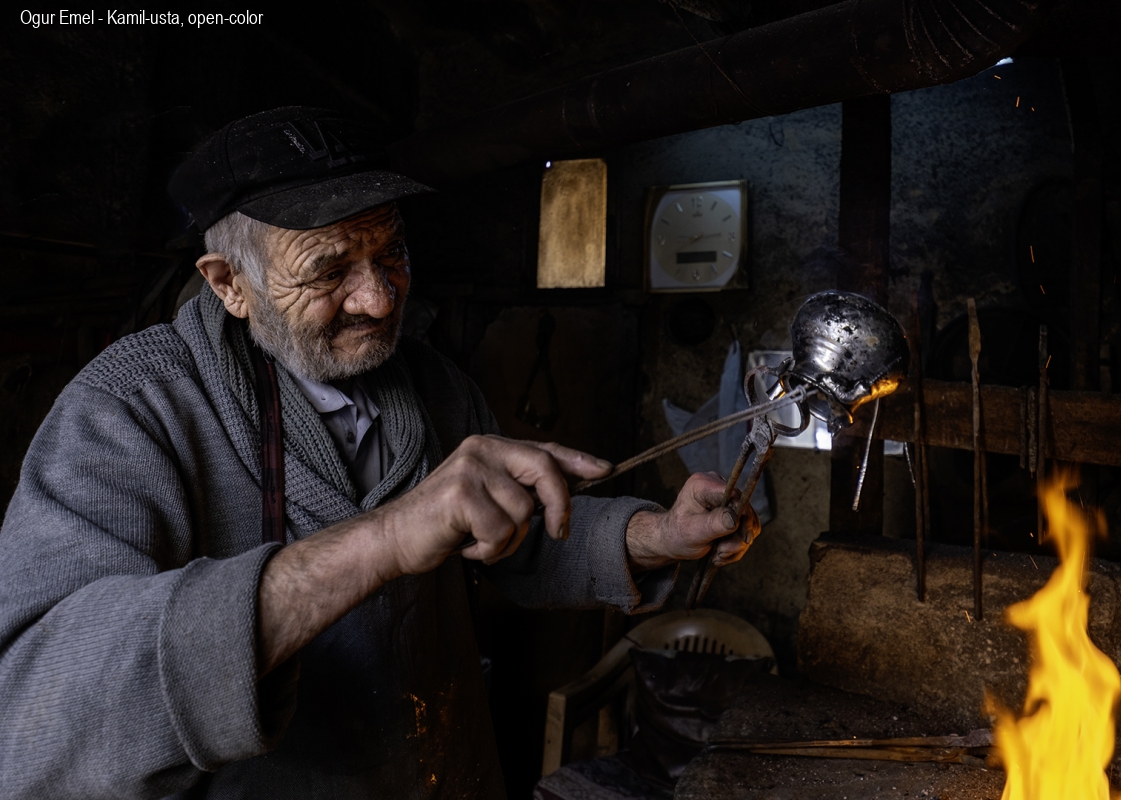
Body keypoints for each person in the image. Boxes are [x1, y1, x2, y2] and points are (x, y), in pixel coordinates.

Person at [0, 107, 760, 799]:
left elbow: (512, 540)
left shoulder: (434, 385)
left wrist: (653, 534)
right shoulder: (131, 409)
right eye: (330, 270)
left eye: (391, 253)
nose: (380, 298)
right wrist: (389, 535)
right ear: (229, 283)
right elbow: (37, 708)